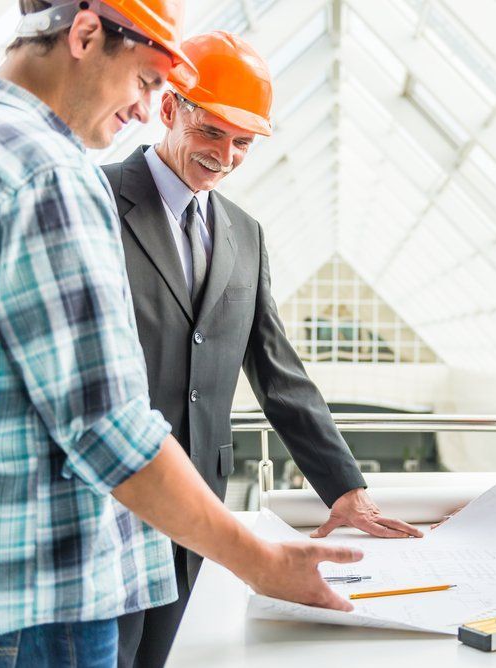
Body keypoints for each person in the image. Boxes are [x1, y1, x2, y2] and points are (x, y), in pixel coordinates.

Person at [0, 3, 359, 665]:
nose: (141, 107)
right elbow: (103, 421)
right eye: (143, 82)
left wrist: (345, 488)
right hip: (52, 583)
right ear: (84, 34)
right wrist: (260, 561)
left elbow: (277, 371)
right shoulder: (55, 176)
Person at [102, 31, 422, 667]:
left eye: (242, 142)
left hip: (200, 506)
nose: (225, 156)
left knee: (166, 657)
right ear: (169, 110)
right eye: (212, 132)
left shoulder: (245, 235)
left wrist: (345, 488)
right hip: (110, 497)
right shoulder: (99, 200)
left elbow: (278, 374)